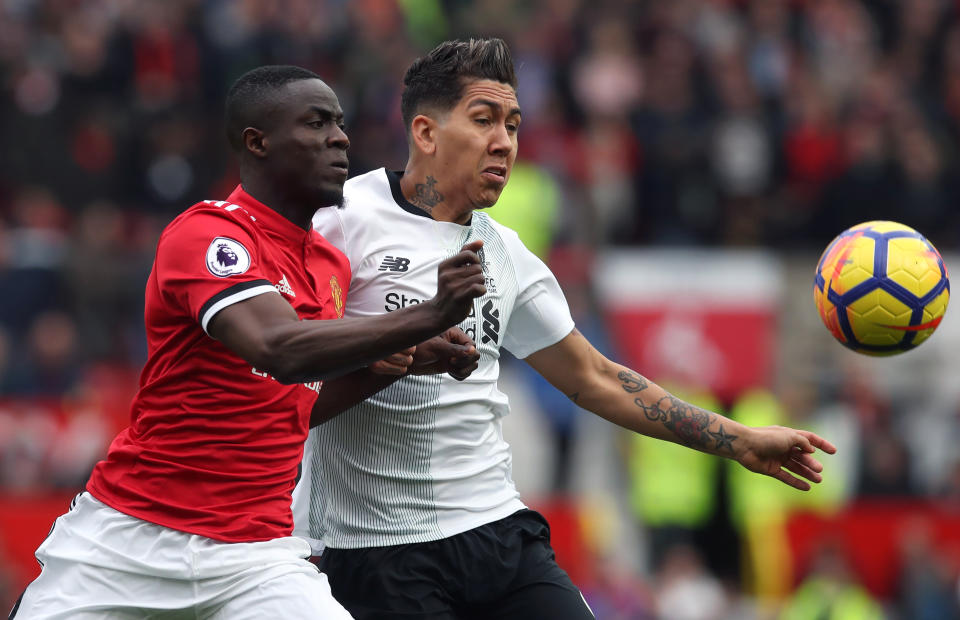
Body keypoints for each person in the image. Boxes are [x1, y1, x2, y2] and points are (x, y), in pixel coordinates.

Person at [293, 39, 838, 620]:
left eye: (513, 124)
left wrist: (741, 440)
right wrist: (395, 352)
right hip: (376, 552)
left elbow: (594, 377)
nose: (504, 141)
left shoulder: (506, 255)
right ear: (425, 133)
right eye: (484, 120)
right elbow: (286, 371)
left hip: (495, 530)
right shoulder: (340, 222)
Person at [11, 65, 487, 619]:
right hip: (128, 540)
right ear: (257, 143)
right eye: (315, 123)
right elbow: (277, 348)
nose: (340, 137)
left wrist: (393, 366)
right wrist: (427, 316)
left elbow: (291, 406)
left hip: (255, 558)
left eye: (339, 122)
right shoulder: (208, 235)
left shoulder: (330, 263)